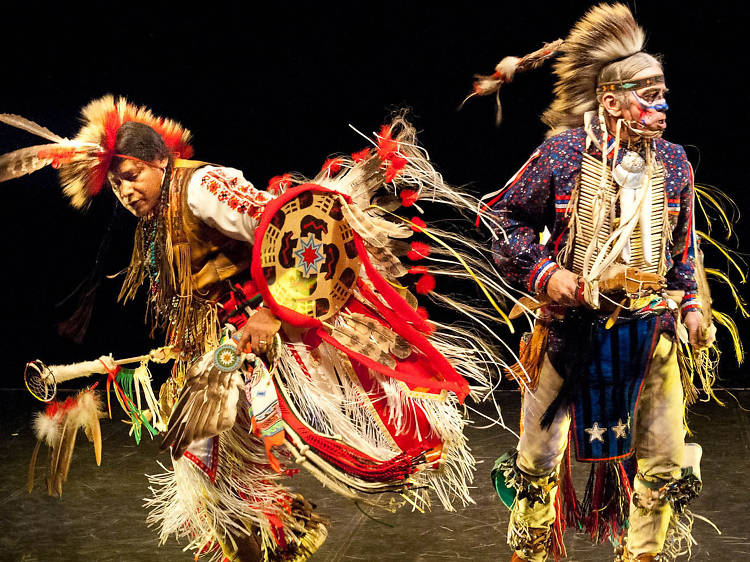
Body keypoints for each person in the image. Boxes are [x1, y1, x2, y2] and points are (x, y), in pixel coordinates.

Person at [1, 96, 504, 561]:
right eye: (115, 184)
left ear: (157, 162)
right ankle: (274, 534)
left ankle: (272, 533)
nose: (125, 191)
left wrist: (272, 311)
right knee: (208, 474)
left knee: (203, 465)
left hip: (253, 346)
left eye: (130, 175)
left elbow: (303, 229)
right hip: (217, 351)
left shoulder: (201, 186)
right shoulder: (157, 215)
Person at [467, 4, 731, 561]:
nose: (662, 108)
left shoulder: (675, 163)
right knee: (537, 460)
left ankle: (642, 556)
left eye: (663, 95)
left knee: (664, 463)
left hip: (649, 332)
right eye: (648, 97)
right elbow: (500, 220)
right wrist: (547, 273)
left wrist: (691, 306)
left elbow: (681, 249)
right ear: (611, 102)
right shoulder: (564, 154)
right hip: (570, 334)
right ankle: (532, 551)